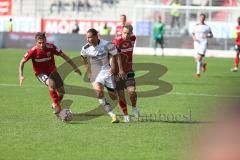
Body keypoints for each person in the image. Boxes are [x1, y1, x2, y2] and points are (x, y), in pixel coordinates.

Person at [19, 32, 81, 116]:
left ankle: (55, 104)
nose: (41, 44)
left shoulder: (51, 47)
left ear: (46, 40)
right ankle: (56, 106)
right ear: (36, 42)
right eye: (39, 43)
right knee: (51, 83)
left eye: (43, 42)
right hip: (40, 73)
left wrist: (75, 67)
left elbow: (64, 56)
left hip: (52, 71)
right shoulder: (32, 51)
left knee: (62, 92)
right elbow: (22, 62)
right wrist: (21, 75)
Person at [80, 28, 125, 123]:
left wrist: (118, 68)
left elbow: (116, 55)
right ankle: (113, 116)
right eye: (87, 37)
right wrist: (88, 71)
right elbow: (83, 58)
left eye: (90, 37)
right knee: (99, 93)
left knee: (114, 97)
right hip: (95, 73)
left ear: (96, 36)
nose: (88, 39)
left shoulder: (106, 44)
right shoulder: (85, 48)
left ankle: (120, 109)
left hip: (107, 71)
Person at [113, 24, 140, 122]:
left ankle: (134, 107)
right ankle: (125, 115)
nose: (125, 35)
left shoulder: (133, 38)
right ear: (121, 32)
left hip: (129, 71)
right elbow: (115, 56)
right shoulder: (117, 41)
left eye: (128, 33)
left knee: (132, 92)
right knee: (121, 95)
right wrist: (118, 70)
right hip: (118, 72)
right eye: (124, 33)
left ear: (131, 33)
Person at [192, 13, 213, 78]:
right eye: (201, 18)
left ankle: (198, 73)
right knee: (196, 59)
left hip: (203, 43)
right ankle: (203, 65)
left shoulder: (207, 27)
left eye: (203, 18)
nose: (202, 19)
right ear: (199, 18)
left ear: (204, 18)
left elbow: (211, 35)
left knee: (198, 58)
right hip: (196, 43)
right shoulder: (196, 26)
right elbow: (193, 33)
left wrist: (207, 35)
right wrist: (194, 38)